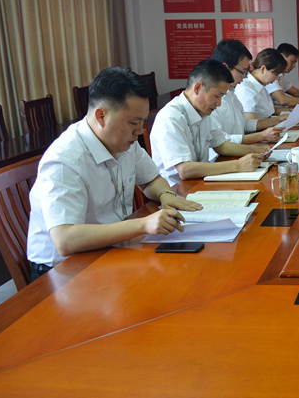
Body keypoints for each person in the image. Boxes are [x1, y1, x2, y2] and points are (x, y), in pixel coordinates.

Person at [26, 67, 202, 278]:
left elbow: (151, 179)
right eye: (133, 122)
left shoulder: (123, 142)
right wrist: (143, 224)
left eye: (142, 121)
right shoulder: (65, 160)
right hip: (65, 271)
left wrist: (165, 195)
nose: (139, 131)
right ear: (101, 116)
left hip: (111, 249)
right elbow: (65, 239)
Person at [151, 59, 270, 185]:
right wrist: (238, 165)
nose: (219, 103)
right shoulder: (170, 118)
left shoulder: (203, 111)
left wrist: (255, 150)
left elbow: (221, 145)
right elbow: (185, 170)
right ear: (198, 88)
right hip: (178, 190)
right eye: (217, 96)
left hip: (200, 182)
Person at [210, 39, 282, 145]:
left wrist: (277, 120)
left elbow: (244, 124)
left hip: (240, 149)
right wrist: (261, 136)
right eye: (242, 72)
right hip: (229, 153)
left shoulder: (231, 93)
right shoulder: (211, 99)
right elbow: (220, 141)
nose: (244, 77)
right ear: (226, 68)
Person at [235, 49, 289, 125]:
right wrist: (278, 120)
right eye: (275, 74)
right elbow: (251, 122)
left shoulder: (260, 85)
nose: (276, 78)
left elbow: (270, 109)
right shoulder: (245, 89)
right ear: (263, 69)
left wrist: (291, 113)